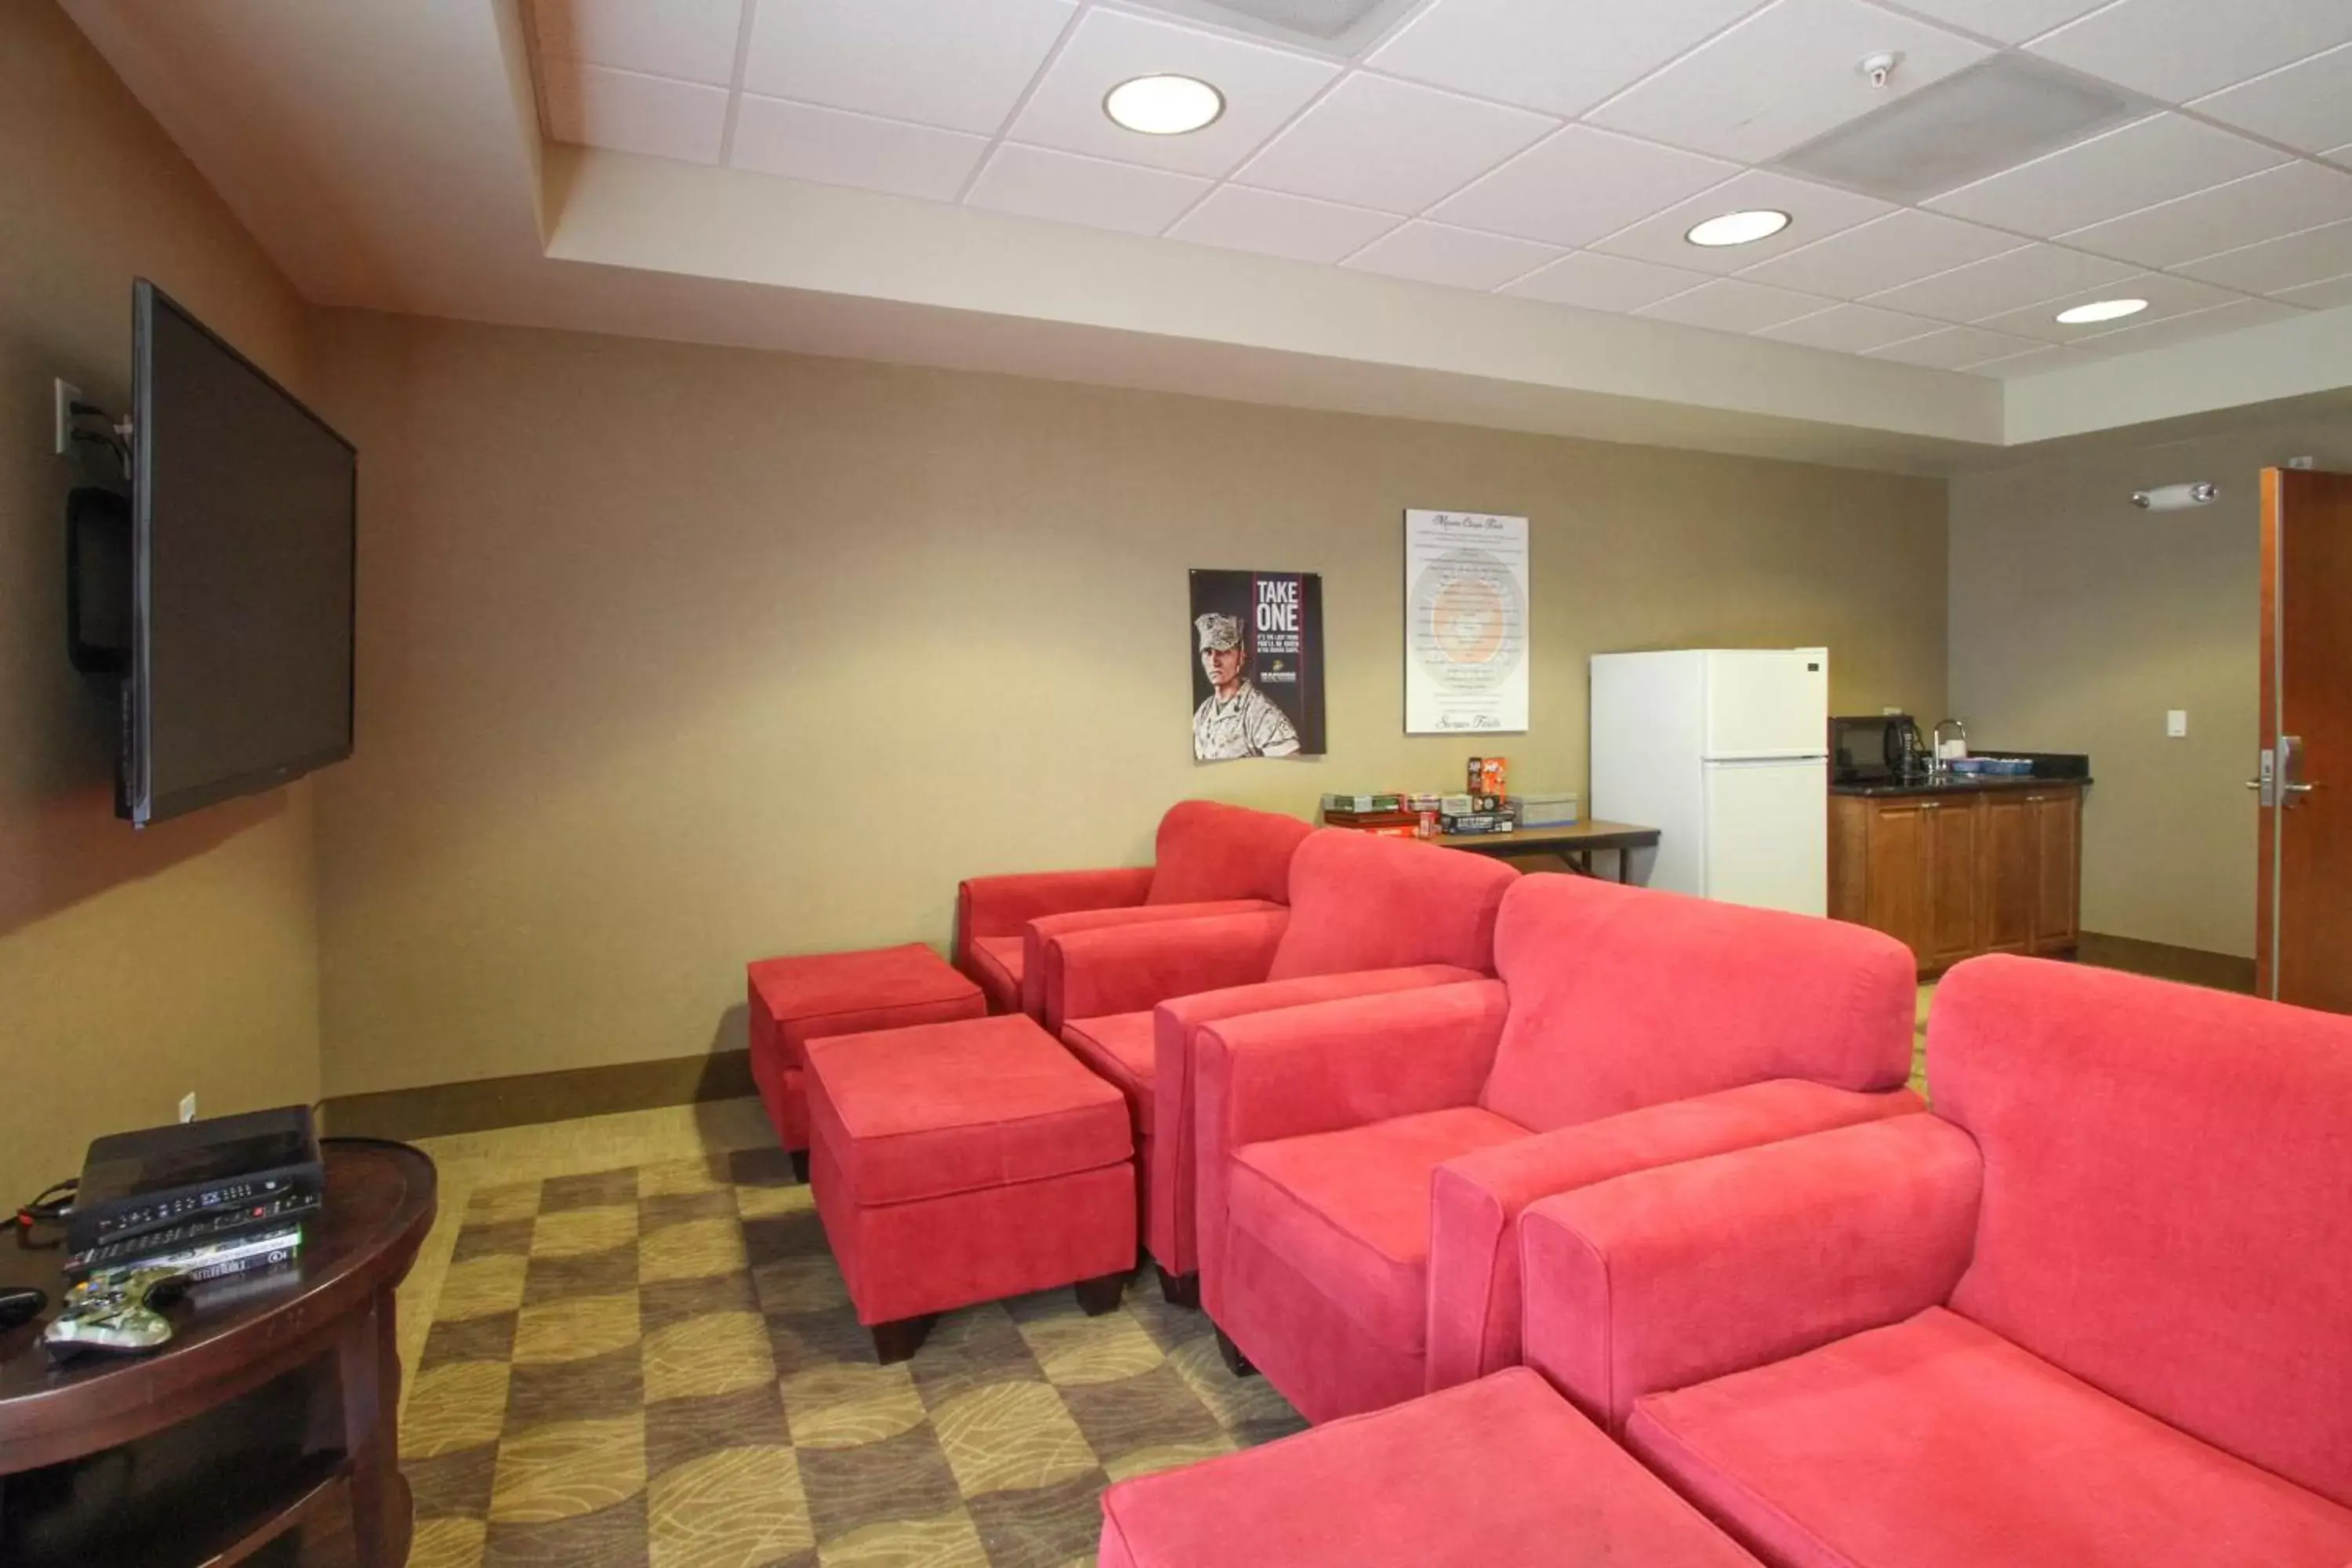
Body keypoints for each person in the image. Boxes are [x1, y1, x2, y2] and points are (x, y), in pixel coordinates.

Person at [1192, 612, 1300, 761]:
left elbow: (1292, 764)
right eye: (1208, 652)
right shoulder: (1203, 713)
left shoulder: (1260, 712)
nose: (1214, 661)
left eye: (1223, 652)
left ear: (1241, 658)